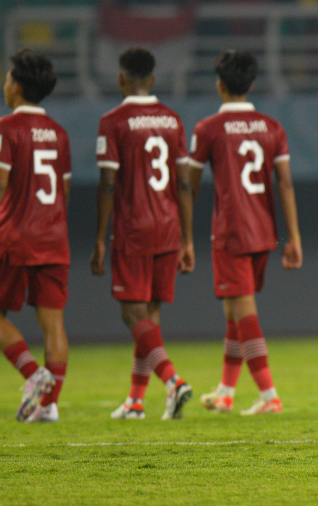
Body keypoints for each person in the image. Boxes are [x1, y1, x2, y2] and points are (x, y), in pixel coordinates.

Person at [190, 50, 302, 415]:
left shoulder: (208, 129)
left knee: (244, 311)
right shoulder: (272, 128)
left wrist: (181, 237)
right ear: (251, 84)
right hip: (263, 231)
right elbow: (284, 184)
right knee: (235, 311)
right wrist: (294, 236)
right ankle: (225, 391)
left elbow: (186, 188)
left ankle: (269, 396)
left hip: (231, 233)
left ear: (220, 85)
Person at [0, 49, 70, 423]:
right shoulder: (59, 133)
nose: (5, 84)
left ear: (19, 86)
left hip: (16, 237)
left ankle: (34, 376)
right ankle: (49, 405)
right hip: (55, 238)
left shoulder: (6, 127)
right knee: (53, 325)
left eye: (9, 78)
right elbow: (64, 192)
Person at [91, 47, 195, 421]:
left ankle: (172, 381)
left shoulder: (113, 121)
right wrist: (187, 239)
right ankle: (136, 402)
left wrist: (101, 238)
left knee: (131, 313)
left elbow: (107, 184)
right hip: (168, 227)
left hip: (134, 228)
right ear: (152, 80)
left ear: (120, 79)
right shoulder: (172, 120)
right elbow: (184, 185)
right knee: (149, 314)